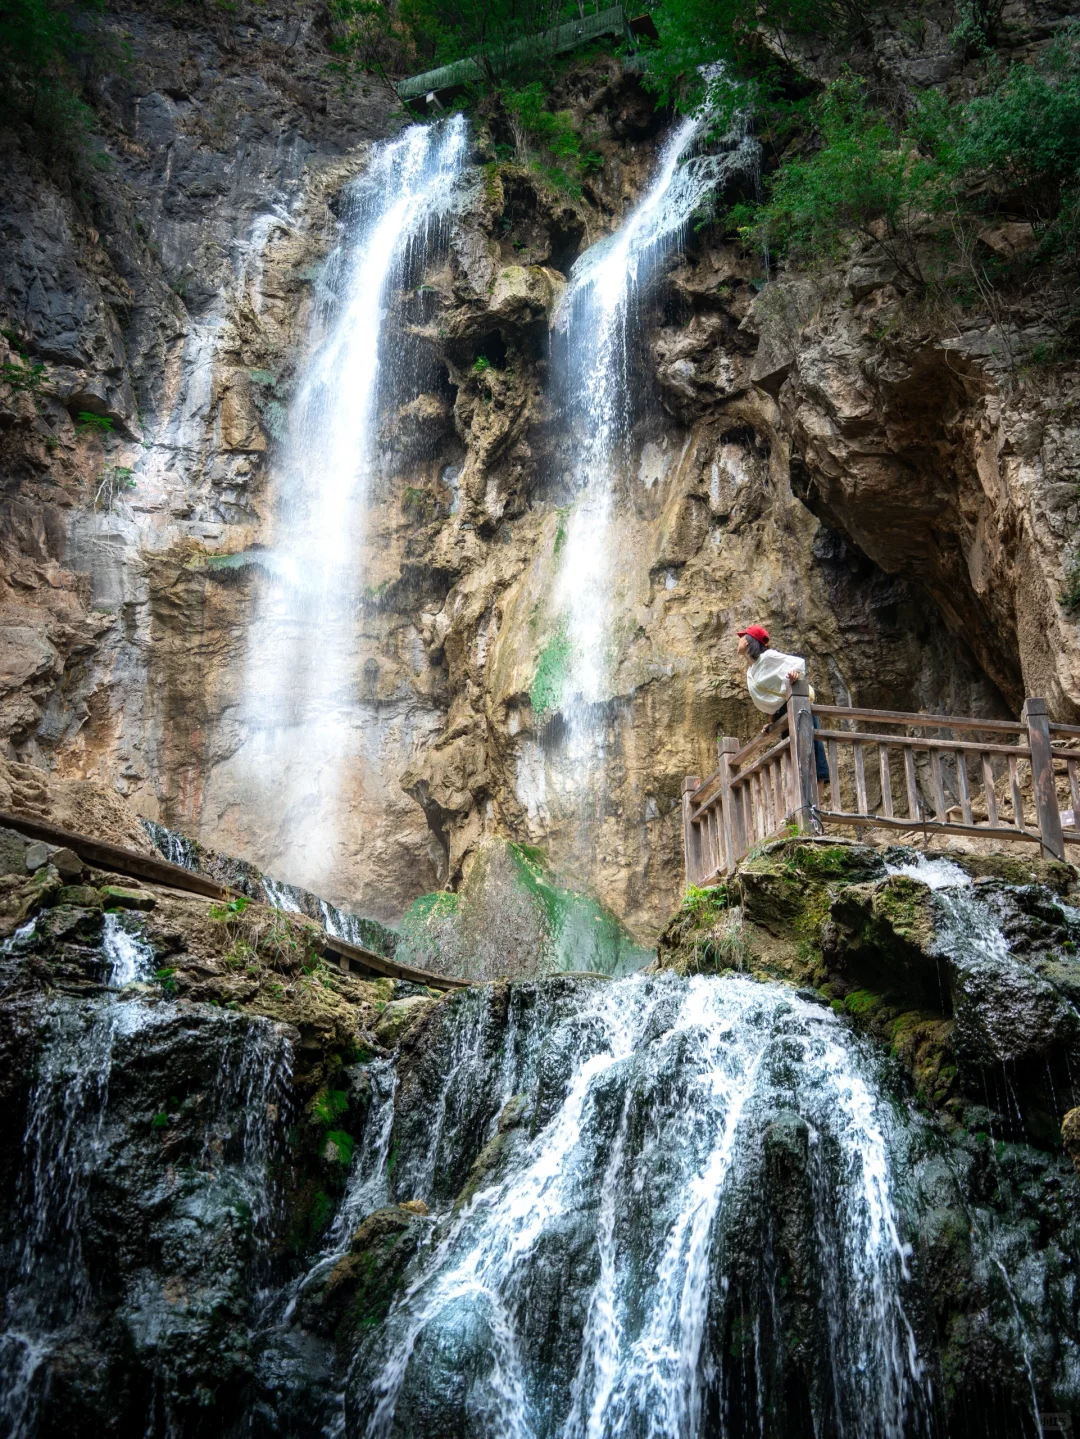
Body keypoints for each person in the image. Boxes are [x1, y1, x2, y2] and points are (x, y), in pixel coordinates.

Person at [736, 624, 830, 784]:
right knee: (797, 763)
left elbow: (796, 663)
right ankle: (805, 806)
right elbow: (772, 697)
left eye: (741, 637)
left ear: (748, 642)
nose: (738, 641)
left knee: (813, 760)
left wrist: (795, 673)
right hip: (784, 715)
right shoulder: (751, 671)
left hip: (800, 706)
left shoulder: (768, 657)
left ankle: (815, 808)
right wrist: (771, 723)